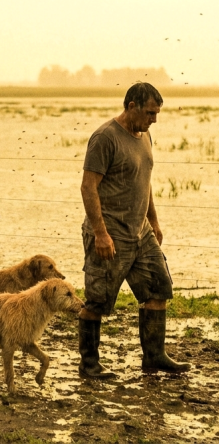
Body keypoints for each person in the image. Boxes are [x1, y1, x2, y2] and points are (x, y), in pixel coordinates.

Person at [78, 82, 190, 378]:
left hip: (141, 233)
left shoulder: (145, 136)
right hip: (110, 233)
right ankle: (89, 364)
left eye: (157, 113)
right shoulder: (105, 138)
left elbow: (145, 181)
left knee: (158, 288)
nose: (155, 119)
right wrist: (100, 233)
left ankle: (154, 357)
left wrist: (153, 221)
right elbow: (88, 187)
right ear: (132, 106)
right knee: (97, 301)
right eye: (151, 112)